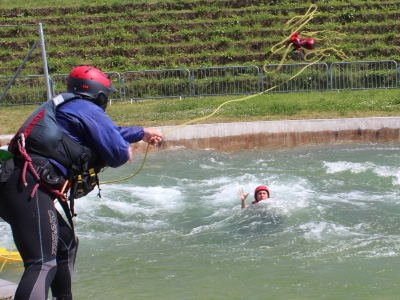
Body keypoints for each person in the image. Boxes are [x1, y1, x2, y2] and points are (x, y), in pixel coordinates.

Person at [0, 65, 163, 300]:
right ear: (100, 95)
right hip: (27, 184)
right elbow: (116, 152)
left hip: (17, 182)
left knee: (67, 244)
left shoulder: (69, 107)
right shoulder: (87, 109)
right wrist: (125, 149)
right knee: (42, 262)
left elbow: (101, 132)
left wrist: (140, 132)